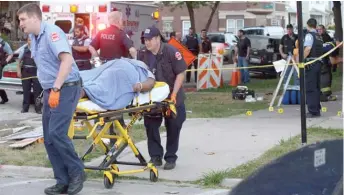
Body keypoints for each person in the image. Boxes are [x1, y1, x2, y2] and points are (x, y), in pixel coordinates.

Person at [17, 3, 85, 195]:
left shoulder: (52, 33)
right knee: (48, 138)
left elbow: (67, 60)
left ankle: (77, 172)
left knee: (57, 133)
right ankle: (62, 180)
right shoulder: (33, 37)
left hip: (65, 88)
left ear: (34, 18)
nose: (20, 24)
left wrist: (56, 87)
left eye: (22, 20)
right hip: (50, 90)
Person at [138, 26, 187, 170]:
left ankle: (170, 157)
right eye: (145, 40)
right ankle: (155, 156)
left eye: (150, 39)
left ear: (158, 38)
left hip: (172, 95)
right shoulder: (143, 54)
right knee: (151, 126)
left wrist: (174, 94)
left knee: (174, 126)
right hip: (153, 98)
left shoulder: (171, 51)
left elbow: (181, 73)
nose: (147, 43)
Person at [79, 58, 156, 109]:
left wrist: (140, 85)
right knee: (96, 75)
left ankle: (83, 90)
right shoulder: (135, 63)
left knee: (105, 83)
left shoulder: (146, 71)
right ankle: (81, 87)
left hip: (125, 73)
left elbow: (150, 83)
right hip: (116, 65)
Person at [16, 36, 43, 113]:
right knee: (26, 91)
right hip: (25, 72)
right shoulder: (23, 50)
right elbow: (18, 62)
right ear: (27, 41)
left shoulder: (39, 50)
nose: (30, 41)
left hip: (36, 72)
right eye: (29, 40)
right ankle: (25, 108)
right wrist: (18, 71)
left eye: (32, 40)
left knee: (37, 92)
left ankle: (38, 108)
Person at [303, 18, 323, 118]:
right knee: (316, 87)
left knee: (310, 88)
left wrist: (301, 59)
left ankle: (312, 111)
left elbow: (308, 49)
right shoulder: (319, 36)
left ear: (308, 25)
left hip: (311, 63)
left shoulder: (309, 35)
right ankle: (317, 109)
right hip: (318, 63)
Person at [0, 30, 14, 104]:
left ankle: (4, 98)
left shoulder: (3, 43)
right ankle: (4, 98)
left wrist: (5, 62)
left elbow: (11, 53)